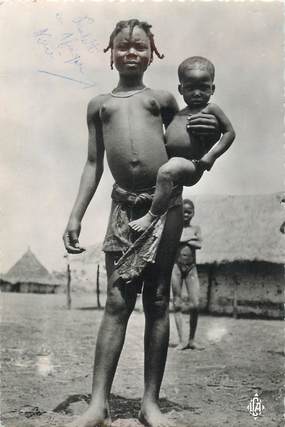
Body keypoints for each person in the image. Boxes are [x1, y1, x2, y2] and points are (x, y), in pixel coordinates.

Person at [63, 20, 220, 427]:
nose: (130, 53)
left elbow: (184, 151)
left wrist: (205, 138)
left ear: (153, 54)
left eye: (138, 47)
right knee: (116, 302)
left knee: (157, 302)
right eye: (122, 47)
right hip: (121, 208)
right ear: (110, 52)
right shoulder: (100, 105)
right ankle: (98, 405)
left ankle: (150, 404)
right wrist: (76, 215)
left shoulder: (163, 100)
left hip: (163, 206)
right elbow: (94, 164)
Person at [129, 56, 235, 233]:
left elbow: (230, 133)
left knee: (166, 171)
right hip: (174, 162)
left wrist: (210, 157)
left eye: (203, 87)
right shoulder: (179, 113)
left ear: (212, 88)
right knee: (161, 170)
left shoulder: (211, 109)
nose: (197, 93)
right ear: (181, 89)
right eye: (190, 88)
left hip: (192, 164)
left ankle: (151, 216)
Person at [171, 199, 204, 350]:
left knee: (195, 304)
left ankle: (192, 340)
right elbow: (175, 240)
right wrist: (190, 239)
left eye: (189, 212)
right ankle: (181, 341)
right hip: (176, 267)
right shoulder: (175, 228)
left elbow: (199, 244)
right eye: (183, 211)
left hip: (191, 268)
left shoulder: (196, 228)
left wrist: (185, 240)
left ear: (193, 213)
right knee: (177, 303)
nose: (186, 214)